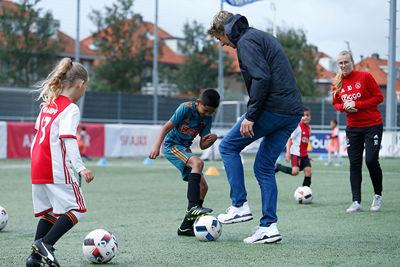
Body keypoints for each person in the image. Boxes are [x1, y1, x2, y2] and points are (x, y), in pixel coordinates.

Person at [207, 11, 303, 244]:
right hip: (291, 112)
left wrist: (251, 116)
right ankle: (269, 227)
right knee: (264, 167)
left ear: (225, 31)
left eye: (221, 40)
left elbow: (261, 78)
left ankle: (239, 205)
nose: (222, 45)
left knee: (228, 147)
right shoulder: (258, 36)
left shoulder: (246, 42)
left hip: (274, 107)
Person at [26, 58, 94, 267]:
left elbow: (37, 136)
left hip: (37, 166)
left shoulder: (48, 105)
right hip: (55, 166)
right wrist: (81, 168)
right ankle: (47, 244)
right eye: (85, 87)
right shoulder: (70, 109)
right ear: (81, 84)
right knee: (77, 209)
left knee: (50, 213)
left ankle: (35, 258)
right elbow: (68, 138)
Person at [149, 89, 220, 236]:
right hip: (172, 145)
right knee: (198, 163)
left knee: (203, 187)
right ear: (198, 103)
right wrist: (156, 146)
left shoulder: (207, 118)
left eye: (210, 112)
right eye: (205, 110)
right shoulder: (186, 108)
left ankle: (185, 227)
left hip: (184, 149)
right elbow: (166, 128)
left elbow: (202, 145)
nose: (207, 114)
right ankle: (193, 206)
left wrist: (211, 140)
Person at [332, 50, 384, 213]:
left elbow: (378, 98)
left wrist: (357, 104)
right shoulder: (336, 82)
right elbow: (336, 103)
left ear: (352, 62)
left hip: (372, 124)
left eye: (346, 62)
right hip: (353, 128)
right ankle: (356, 201)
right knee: (354, 164)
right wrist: (344, 107)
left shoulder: (365, 77)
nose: (343, 65)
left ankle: (377, 195)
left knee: (370, 160)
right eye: (340, 63)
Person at [275, 107, 312, 188]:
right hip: (296, 153)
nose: (305, 117)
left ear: (310, 117)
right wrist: (288, 152)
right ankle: (278, 167)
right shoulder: (297, 127)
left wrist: (307, 156)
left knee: (308, 172)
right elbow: (289, 139)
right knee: (295, 172)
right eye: (303, 115)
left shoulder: (309, 128)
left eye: (307, 115)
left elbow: (304, 144)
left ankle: (305, 191)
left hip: (304, 155)